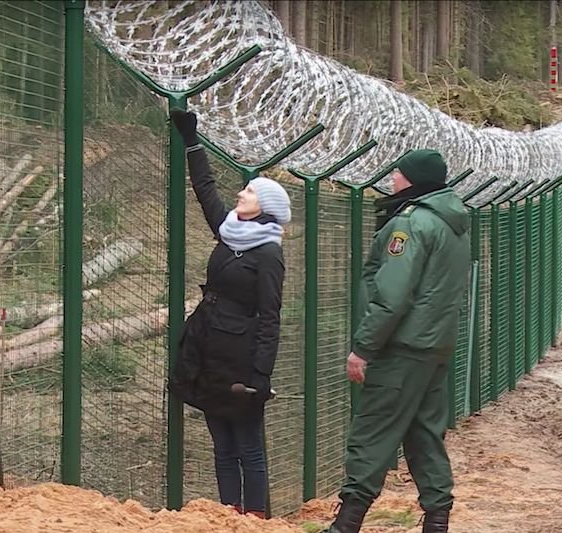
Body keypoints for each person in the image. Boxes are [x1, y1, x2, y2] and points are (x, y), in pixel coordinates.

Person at [323, 149, 471, 533]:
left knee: (372, 432)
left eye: (398, 174)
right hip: (434, 346)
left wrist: (364, 347)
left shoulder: (412, 224)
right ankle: (437, 521)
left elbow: (392, 294)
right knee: (424, 435)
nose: (393, 181)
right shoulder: (453, 222)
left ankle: (345, 524)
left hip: (401, 349)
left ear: (415, 180)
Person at [166, 108, 290, 519]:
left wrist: (261, 374)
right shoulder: (228, 230)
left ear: (265, 205)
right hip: (208, 344)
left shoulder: (269, 253)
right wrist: (192, 142)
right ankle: (227, 516)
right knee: (221, 443)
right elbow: (204, 188)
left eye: (250, 193)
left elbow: (271, 315)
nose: (241, 196)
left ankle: (255, 518)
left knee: (248, 445)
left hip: (241, 355)